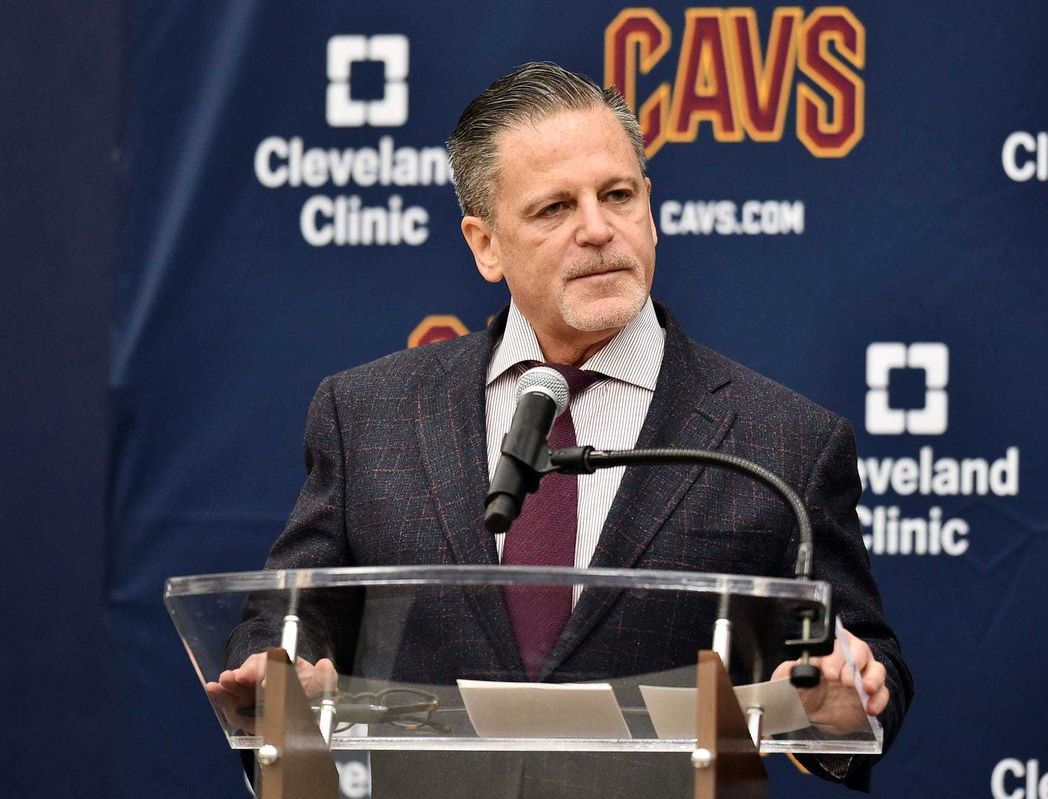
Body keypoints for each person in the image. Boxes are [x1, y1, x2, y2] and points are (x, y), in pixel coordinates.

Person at [208, 62, 911, 793]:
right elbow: (287, 619)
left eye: (618, 195)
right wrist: (278, 671)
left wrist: (847, 702)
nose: (599, 229)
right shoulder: (369, 416)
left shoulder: (782, 442)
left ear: (650, 205)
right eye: (554, 209)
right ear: (485, 244)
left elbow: (869, 675)